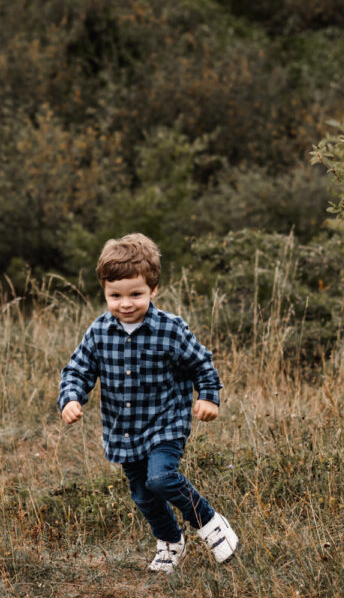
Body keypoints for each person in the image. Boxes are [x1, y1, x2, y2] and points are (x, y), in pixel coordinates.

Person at [59, 233, 238, 571]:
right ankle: (170, 542)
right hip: (124, 430)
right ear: (105, 292)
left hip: (165, 423)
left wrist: (209, 397)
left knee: (161, 479)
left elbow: (201, 363)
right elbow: (77, 370)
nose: (125, 304)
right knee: (142, 495)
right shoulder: (99, 332)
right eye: (115, 296)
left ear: (153, 290)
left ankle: (210, 523)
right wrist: (71, 398)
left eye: (136, 294)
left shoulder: (170, 329)